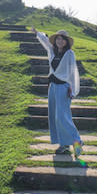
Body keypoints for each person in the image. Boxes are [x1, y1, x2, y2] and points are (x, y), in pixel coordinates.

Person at [31, 27, 83, 157]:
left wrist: (72, 87)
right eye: (58, 39)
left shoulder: (69, 54)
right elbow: (45, 41)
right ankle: (63, 144)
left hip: (63, 88)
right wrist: (37, 33)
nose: (60, 41)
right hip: (53, 87)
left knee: (62, 117)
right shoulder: (53, 51)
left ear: (66, 42)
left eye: (62, 39)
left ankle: (77, 142)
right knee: (55, 116)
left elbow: (73, 71)